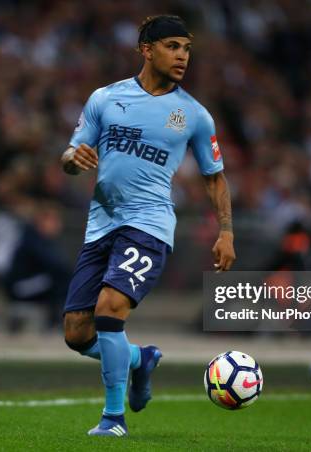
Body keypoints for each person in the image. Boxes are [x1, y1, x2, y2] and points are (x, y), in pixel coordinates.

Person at [60, 15, 236, 437]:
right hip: (101, 225)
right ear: (147, 49)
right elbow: (70, 153)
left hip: (150, 224)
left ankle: (113, 419)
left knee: (109, 309)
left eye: (187, 49)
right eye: (173, 46)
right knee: (76, 334)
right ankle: (141, 359)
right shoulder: (105, 98)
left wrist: (227, 231)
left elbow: (214, 177)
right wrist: (72, 161)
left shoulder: (194, 115)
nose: (182, 56)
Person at [3, 203, 72, 331]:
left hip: (36, 284)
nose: (58, 225)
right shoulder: (31, 240)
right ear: (41, 222)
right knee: (59, 282)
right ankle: (57, 323)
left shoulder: (46, 241)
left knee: (61, 282)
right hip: (19, 288)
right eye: (54, 221)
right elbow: (55, 265)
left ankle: (59, 321)